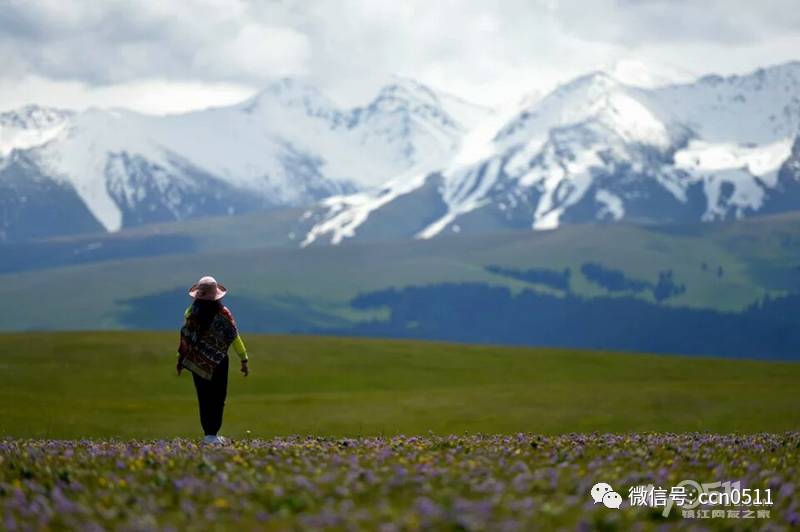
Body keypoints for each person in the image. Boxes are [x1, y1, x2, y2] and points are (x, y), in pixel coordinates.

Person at [176, 276, 249, 445]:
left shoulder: (191, 312)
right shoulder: (224, 314)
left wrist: (180, 359)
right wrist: (243, 358)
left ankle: (208, 435)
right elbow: (234, 337)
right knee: (218, 397)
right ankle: (213, 434)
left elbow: (185, 338)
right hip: (220, 362)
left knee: (204, 397)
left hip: (196, 362)